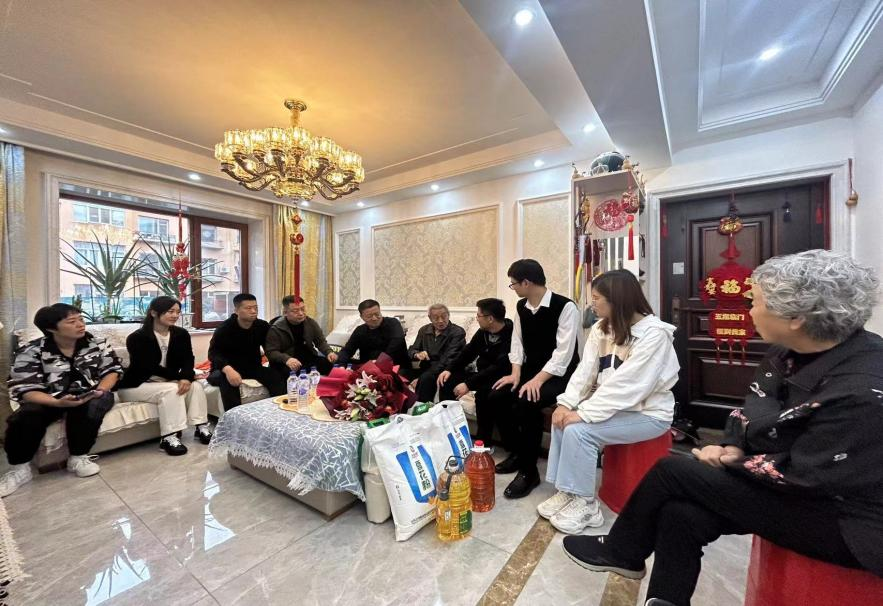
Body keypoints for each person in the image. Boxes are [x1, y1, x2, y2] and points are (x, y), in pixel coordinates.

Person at [562, 250, 883, 606]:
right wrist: (735, 444)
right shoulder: (787, 352)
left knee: (672, 470)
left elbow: (806, 475)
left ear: (795, 317)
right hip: (791, 481)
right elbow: (757, 403)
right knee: (680, 514)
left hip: (847, 521)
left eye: (755, 302)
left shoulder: (864, 388)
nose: (748, 310)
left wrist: (735, 461)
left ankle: (621, 550)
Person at [538, 270, 678, 534]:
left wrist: (584, 413)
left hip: (649, 414)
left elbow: (628, 386)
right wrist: (565, 404)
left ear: (617, 299)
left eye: (596, 298)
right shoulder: (601, 328)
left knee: (579, 431)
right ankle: (568, 490)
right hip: (616, 409)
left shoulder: (654, 334)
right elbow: (585, 371)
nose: (592, 304)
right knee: (560, 420)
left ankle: (587, 505)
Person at [0, 304, 122, 497]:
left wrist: (100, 390)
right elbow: (24, 388)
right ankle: (20, 469)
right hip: (49, 398)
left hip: (90, 393)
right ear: (51, 328)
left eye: (81, 319)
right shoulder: (31, 350)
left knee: (95, 403)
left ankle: (78, 457)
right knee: (26, 415)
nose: (80, 325)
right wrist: (57, 403)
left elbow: (112, 371)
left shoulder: (97, 343)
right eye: (72, 322)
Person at [488, 259, 580, 499]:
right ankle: (518, 453)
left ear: (526, 282)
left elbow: (563, 354)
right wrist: (515, 373)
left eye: (513, 284)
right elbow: (517, 342)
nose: (513, 288)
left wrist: (538, 380)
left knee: (527, 401)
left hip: (561, 374)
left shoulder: (565, 307)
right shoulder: (522, 307)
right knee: (497, 395)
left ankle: (529, 472)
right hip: (531, 370)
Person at [118, 296, 213, 456]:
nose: (175, 315)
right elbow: (148, 367)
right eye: (170, 311)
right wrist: (179, 377)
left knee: (196, 386)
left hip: (168, 381)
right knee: (172, 390)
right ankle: (169, 437)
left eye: (177, 312)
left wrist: (186, 377)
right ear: (154, 313)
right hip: (138, 385)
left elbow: (188, 358)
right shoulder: (137, 338)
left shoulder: (181, 334)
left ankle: (201, 427)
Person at [436, 298, 513, 444]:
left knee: (483, 395)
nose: (476, 318)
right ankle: (450, 430)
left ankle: (483, 442)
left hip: (501, 377)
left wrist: (468, 384)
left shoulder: (511, 334)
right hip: (482, 374)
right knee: (447, 381)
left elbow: (499, 367)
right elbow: (467, 353)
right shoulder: (483, 332)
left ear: (490, 319)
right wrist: (449, 369)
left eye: (478, 315)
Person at [206, 293, 285, 410]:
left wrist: (279, 363)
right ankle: (233, 418)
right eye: (248, 308)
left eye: (255, 308)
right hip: (226, 368)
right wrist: (228, 370)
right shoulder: (225, 328)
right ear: (236, 310)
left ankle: (279, 412)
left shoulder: (261, 326)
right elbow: (213, 353)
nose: (253, 311)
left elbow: (270, 348)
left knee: (276, 376)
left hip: (252, 367)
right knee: (228, 383)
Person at [265, 295, 337, 382]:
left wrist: (329, 352)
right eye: (295, 311)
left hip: (307, 358)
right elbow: (271, 352)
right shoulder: (276, 328)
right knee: (291, 377)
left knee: (332, 366)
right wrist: (287, 359)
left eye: (303, 309)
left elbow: (320, 342)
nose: (301, 313)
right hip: (287, 362)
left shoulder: (310, 323)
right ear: (285, 312)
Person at [404, 304, 466, 402]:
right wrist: (417, 354)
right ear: (430, 318)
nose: (440, 321)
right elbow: (412, 349)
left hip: (447, 369)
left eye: (444, 317)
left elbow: (448, 358)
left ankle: (425, 408)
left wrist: (420, 378)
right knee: (401, 374)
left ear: (448, 315)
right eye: (436, 318)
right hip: (426, 367)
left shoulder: (457, 332)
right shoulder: (424, 330)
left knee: (426, 379)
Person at [336, 299, 408, 369]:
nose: (374, 318)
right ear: (362, 317)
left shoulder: (393, 323)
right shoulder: (360, 330)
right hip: (368, 369)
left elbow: (397, 342)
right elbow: (347, 350)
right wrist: (341, 365)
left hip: (395, 367)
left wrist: (379, 361)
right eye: (369, 316)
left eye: (377, 314)